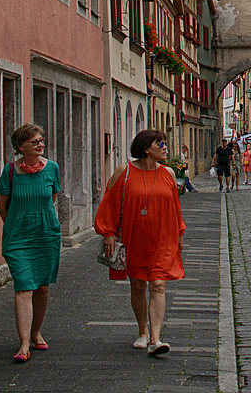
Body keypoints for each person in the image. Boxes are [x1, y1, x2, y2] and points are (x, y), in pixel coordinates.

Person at [94, 129, 186, 357]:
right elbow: (110, 203)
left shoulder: (169, 173)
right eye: (160, 144)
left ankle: (155, 339)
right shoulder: (124, 172)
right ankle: (142, 331)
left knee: (158, 284)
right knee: (137, 286)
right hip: (135, 238)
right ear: (146, 149)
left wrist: (180, 234)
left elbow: (175, 207)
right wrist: (108, 232)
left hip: (163, 238)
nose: (165, 147)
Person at [0, 123, 61, 363]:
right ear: (20, 146)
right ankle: (24, 343)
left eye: (42, 140)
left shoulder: (52, 168)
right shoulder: (10, 172)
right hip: (18, 238)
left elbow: (51, 199)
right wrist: (15, 225)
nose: (41, 144)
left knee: (42, 287)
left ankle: (36, 332)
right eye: (35, 142)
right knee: (23, 286)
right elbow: (2, 206)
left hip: (46, 234)